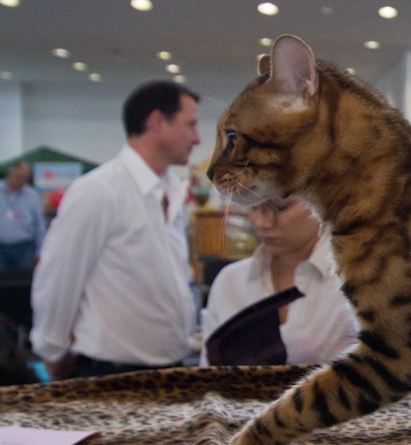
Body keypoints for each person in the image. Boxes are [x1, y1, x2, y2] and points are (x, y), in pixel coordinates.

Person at [31, 80, 202, 379]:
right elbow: (58, 279)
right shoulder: (100, 191)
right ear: (157, 122)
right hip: (110, 374)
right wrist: (53, 352)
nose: (198, 138)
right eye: (190, 125)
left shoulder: (170, 192)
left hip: (170, 371)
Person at [200, 197, 358, 366]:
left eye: (281, 207)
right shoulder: (230, 281)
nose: (262, 222)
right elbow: (209, 378)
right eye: (252, 207)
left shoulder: (356, 279)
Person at [0, 160, 47, 272]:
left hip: (25, 248)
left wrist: (40, 251)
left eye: (25, 177)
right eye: (19, 177)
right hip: (1, 247)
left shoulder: (32, 196)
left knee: (23, 283)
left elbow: (39, 225)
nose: (22, 181)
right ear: (10, 173)